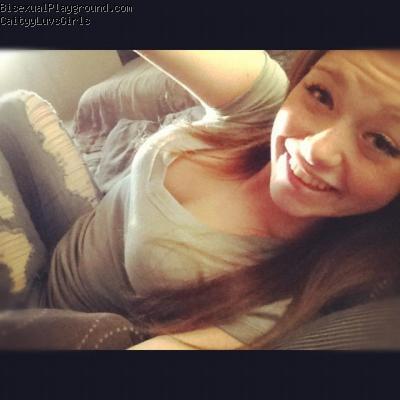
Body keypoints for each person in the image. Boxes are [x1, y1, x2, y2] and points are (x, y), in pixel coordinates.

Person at [1, 50, 400, 350]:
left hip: (48, 318)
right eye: (321, 94)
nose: (316, 150)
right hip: (76, 231)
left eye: (382, 142)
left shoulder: (279, 303)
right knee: (13, 108)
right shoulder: (264, 102)